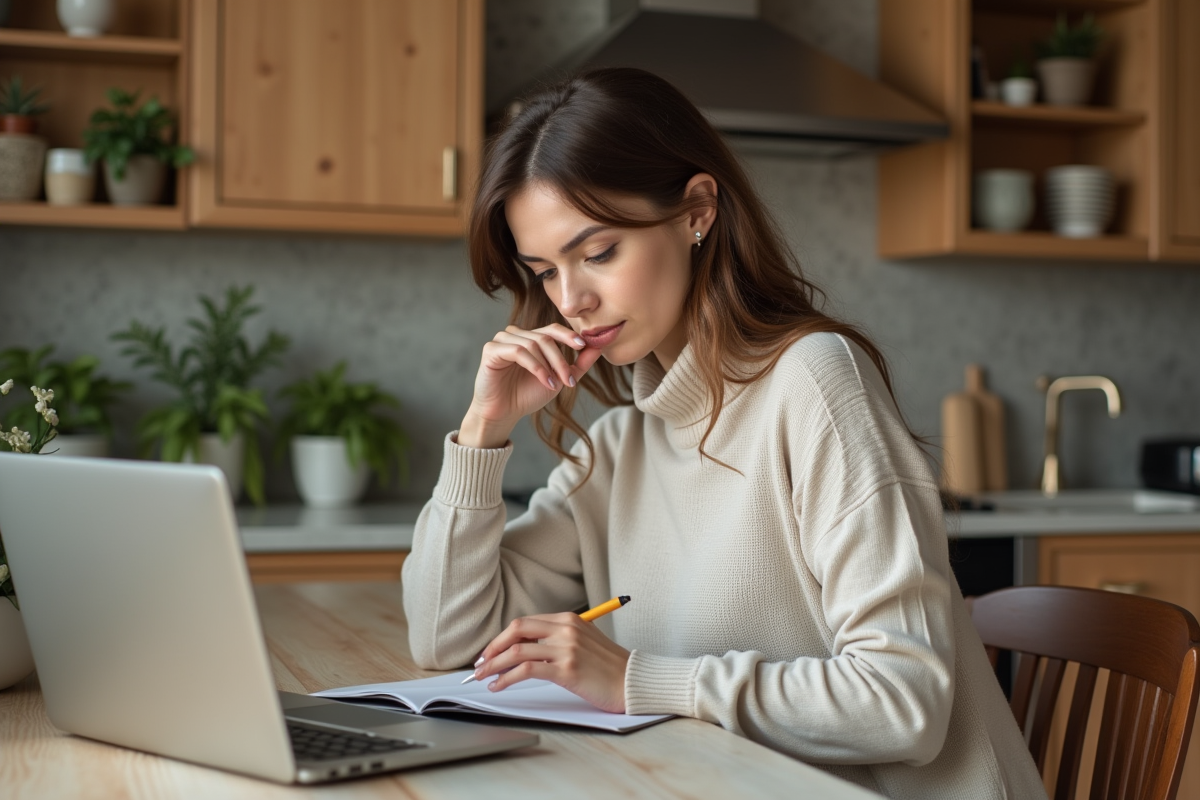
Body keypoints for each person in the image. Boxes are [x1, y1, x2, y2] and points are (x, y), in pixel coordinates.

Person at [401, 67, 1045, 799]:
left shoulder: (814, 380)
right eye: (545, 271)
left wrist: (638, 680)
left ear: (697, 211)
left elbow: (904, 702)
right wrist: (480, 435)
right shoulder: (621, 448)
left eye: (599, 252)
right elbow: (444, 639)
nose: (571, 300)